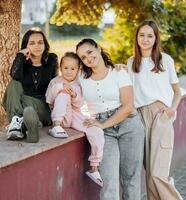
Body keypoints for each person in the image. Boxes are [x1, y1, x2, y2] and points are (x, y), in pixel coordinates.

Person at [76, 38, 145, 200]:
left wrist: (103, 124)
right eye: (83, 58)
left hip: (129, 125)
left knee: (131, 179)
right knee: (108, 181)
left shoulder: (119, 72)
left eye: (89, 52)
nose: (88, 58)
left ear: (98, 48)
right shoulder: (80, 77)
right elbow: (63, 76)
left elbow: (128, 106)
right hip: (104, 132)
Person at [126, 19, 183, 200]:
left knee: (158, 174)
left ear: (156, 38)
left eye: (150, 35)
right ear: (136, 37)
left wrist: (171, 110)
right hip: (139, 118)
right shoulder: (130, 62)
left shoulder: (165, 60)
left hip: (160, 116)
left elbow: (177, 92)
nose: (145, 39)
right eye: (141, 35)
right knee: (150, 174)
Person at [45, 52, 105, 186]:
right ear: (60, 67)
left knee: (97, 131)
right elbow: (49, 99)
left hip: (76, 115)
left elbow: (80, 103)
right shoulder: (55, 81)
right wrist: (61, 89)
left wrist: (74, 94)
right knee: (63, 95)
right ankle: (56, 126)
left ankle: (94, 167)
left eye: (73, 69)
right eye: (65, 68)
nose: (69, 72)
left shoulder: (79, 84)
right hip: (61, 117)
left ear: (78, 70)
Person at [2, 27, 58, 143]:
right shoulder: (22, 62)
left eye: (40, 42)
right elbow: (15, 76)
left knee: (20, 100)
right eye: (32, 43)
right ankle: (28, 125)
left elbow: (55, 84)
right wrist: (20, 55)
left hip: (44, 109)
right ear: (26, 46)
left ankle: (19, 122)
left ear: (45, 44)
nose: (37, 46)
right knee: (14, 84)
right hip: (26, 109)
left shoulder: (51, 60)